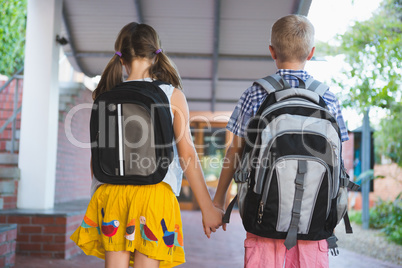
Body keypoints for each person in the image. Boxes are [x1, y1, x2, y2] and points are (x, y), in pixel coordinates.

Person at [70, 22, 223, 268]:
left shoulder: (104, 95)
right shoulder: (171, 95)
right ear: (156, 54)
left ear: (121, 59)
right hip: (155, 194)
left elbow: (96, 157)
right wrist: (208, 208)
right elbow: (187, 155)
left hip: (112, 194)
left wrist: (101, 197)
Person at [212, 14, 349, 268]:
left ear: (271, 51)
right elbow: (339, 158)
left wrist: (218, 201)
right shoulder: (329, 98)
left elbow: (235, 151)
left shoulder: (256, 93)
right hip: (315, 223)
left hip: (264, 219)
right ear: (311, 53)